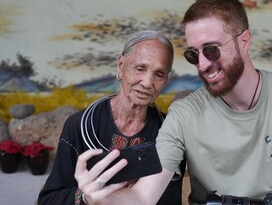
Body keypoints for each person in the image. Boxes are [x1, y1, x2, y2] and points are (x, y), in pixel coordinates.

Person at [99, 0, 272, 205]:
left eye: (211, 49)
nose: (204, 64)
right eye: (193, 54)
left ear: (244, 41)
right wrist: (95, 198)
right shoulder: (184, 114)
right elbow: (143, 197)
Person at [37, 30, 185, 205]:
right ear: (121, 66)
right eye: (140, 68)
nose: (147, 82)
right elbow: (49, 200)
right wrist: (84, 198)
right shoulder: (79, 125)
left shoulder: (170, 132)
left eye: (159, 74)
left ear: (166, 80)